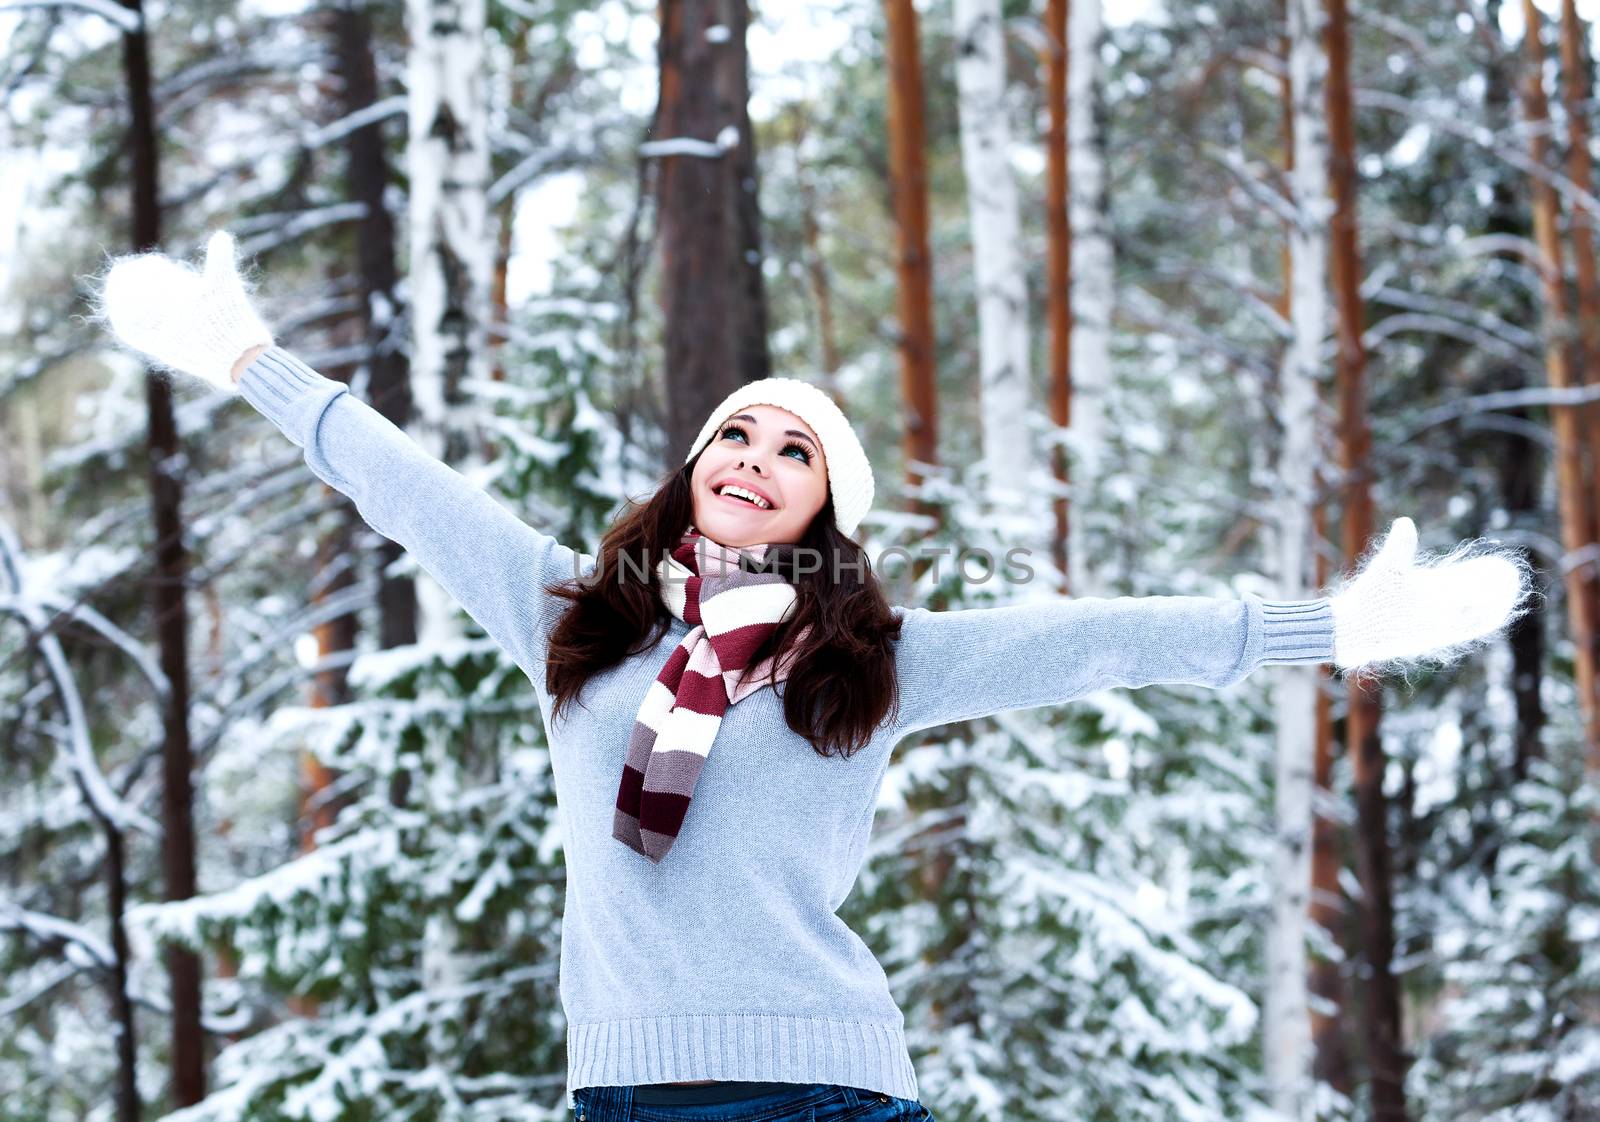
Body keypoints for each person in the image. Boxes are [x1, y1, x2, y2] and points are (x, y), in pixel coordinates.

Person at [91, 231, 1533, 1122]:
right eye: (737, 436)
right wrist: (250, 360)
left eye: (795, 453)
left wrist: (1330, 630)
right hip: (632, 1091)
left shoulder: (874, 665)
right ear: (694, 468)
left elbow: (1105, 635)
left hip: (832, 1084)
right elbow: (400, 482)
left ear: (820, 507)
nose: (755, 462)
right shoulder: (575, 620)